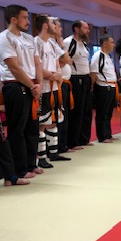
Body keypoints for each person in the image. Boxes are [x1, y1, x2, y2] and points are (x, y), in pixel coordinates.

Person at [0, 5, 43, 184]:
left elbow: (37, 63)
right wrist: (32, 86)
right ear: (13, 19)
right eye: (24, 17)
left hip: (33, 85)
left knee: (32, 128)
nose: (28, 21)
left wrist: (39, 85)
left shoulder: (29, 38)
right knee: (18, 130)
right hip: (15, 86)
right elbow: (14, 67)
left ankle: (31, 164)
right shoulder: (3, 38)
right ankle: (19, 169)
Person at [34, 14, 68, 168]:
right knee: (42, 122)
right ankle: (41, 157)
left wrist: (58, 73)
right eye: (53, 24)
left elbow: (58, 62)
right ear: (45, 26)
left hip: (55, 87)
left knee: (54, 119)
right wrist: (52, 75)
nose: (56, 27)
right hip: (44, 87)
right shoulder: (36, 42)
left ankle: (53, 152)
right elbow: (37, 65)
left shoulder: (53, 43)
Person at [64, 20, 93, 149]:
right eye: (85, 28)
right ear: (76, 29)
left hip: (86, 77)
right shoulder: (68, 42)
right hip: (75, 78)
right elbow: (63, 59)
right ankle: (73, 142)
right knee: (77, 111)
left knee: (87, 110)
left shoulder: (85, 44)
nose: (88, 30)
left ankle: (84, 139)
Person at [90, 35, 117, 143]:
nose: (113, 45)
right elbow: (93, 73)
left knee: (109, 112)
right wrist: (92, 87)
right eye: (111, 42)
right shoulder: (98, 56)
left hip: (112, 86)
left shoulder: (108, 56)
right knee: (102, 112)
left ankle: (108, 134)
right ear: (104, 44)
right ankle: (102, 136)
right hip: (103, 86)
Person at [52, 18, 74, 155]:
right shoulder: (53, 44)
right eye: (59, 27)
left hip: (65, 83)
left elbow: (68, 61)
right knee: (57, 116)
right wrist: (62, 46)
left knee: (64, 116)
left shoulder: (58, 44)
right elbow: (66, 59)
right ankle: (56, 147)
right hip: (56, 84)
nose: (61, 29)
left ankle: (62, 145)